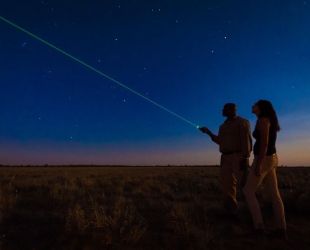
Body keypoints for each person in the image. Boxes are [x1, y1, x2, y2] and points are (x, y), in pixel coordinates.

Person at [242, 100, 287, 240]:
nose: (252, 106)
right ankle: (281, 229)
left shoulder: (263, 120)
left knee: (248, 191)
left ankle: (259, 227)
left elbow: (264, 143)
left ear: (261, 107)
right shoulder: (265, 120)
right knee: (274, 194)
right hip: (271, 158)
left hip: (265, 159)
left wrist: (259, 164)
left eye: (254, 104)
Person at [199, 103, 252, 215]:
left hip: (238, 156)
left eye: (224, 109)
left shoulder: (242, 122)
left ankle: (253, 212)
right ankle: (231, 211)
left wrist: (245, 157)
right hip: (225, 157)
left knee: (245, 184)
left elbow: (246, 141)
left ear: (232, 110)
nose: (222, 111)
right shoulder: (222, 126)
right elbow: (219, 141)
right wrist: (208, 132)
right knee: (227, 185)